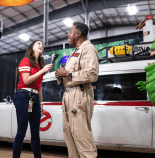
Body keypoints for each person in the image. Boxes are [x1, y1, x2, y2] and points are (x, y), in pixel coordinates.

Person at [55, 22, 99, 158]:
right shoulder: (76, 51)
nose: (68, 34)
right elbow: (73, 72)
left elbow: (92, 74)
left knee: (81, 135)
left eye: (70, 31)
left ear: (78, 34)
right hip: (69, 94)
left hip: (79, 94)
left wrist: (67, 74)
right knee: (69, 135)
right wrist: (62, 77)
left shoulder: (89, 48)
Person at [13, 40, 53, 158]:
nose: (41, 45)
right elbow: (26, 81)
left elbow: (39, 86)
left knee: (35, 133)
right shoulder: (26, 61)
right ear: (32, 47)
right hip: (23, 96)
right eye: (38, 43)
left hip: (35, 98)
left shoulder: (39, 65)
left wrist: (41, 103)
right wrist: (42, 71)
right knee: (22, 131)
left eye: (42, 44)